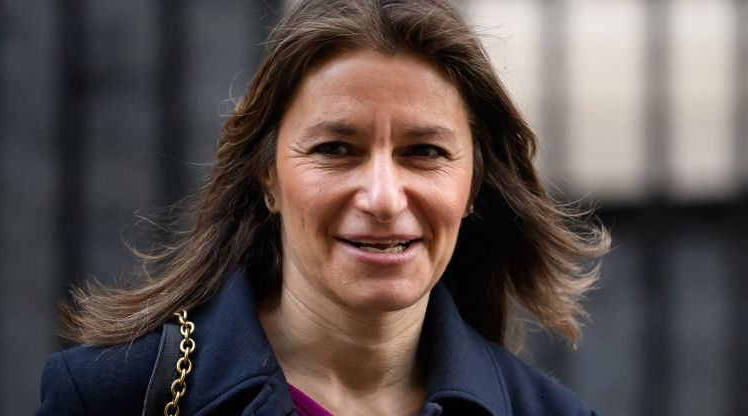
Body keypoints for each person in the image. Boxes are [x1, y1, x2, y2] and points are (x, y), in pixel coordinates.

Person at [38, 0, 610, 415]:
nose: (384, 198)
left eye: (425, 152)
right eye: (336, 149)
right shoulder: (115, 394)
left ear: (473, 184)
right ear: (267, 176)